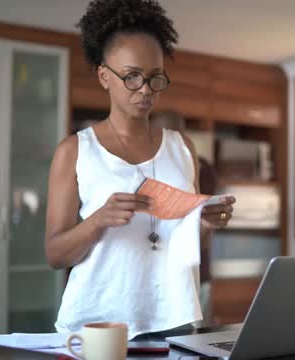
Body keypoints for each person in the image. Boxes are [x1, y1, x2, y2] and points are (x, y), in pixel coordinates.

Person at [44, 0, 235, 339]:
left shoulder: (182, 147)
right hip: (99, 322)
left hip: (175, 317)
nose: (145, 90)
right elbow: (56, 255)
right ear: (105, 76)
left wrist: (204, 224)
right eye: (131, 76)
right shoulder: (75, 151)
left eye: (154, 78)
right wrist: (99, 219)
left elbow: (179, 244)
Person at [150, 110, 219, 326]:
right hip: (153, 272)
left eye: (175, 133)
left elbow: (198, 217)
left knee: (193, 335)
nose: (168, 141)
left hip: (193, 269)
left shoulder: (200, 167)